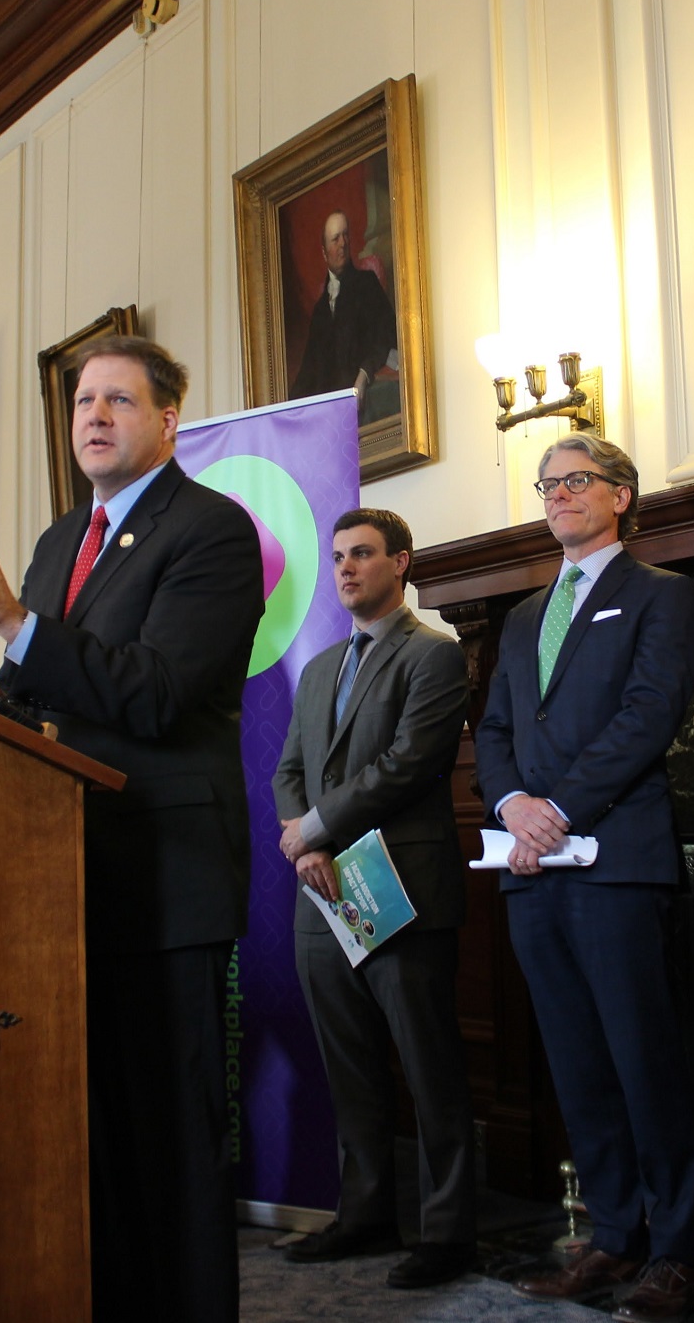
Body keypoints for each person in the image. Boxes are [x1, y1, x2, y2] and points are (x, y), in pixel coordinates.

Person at [0, 334, 262, 1321]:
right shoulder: (53, 543)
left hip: (164, 875)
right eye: (84, 400)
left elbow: (161, 694)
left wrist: (14, 625)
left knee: (171, 1133)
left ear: (168, 419)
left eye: (118, 401)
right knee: (95, 1135)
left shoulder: (210, 530)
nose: (93, 416)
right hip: (63, 876)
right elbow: (63, 700)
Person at [473, 434, 694, 1323]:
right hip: (531, 869)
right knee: (576, 1064)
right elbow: (494, 729)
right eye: (548, 484)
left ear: (621, 495)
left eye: (577, 481)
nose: (558, 495)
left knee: (646, 1062)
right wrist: (511, 809)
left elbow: (650, 717)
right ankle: (613, 1238)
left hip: (616, 863)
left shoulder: (661, 596)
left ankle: (679, 1252)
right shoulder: (526, 615)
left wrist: (557, 809)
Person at [273, 508, 479, 1289]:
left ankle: (449, 1232)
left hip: (403, 891)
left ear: (401, 562)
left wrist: (316, 827)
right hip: (322, 890)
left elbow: (407, 764)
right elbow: (289, 769)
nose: (347, 569)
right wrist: (311, 840)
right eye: (337, 558)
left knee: (430, 1070)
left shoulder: (434, 656)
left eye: (363, 554)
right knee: (349, 1066)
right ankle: (365, 1215)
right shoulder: (321, 665)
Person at [288, 211, 398, 413]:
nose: (343, 244)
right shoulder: (321, 310)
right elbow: (309, 370)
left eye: (345, 235)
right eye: (335, 239)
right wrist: (286, 411)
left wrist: (364, 374)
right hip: (332, 413)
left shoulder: (367, 284)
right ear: (324, 252)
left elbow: (387, 334)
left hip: (365, 397)